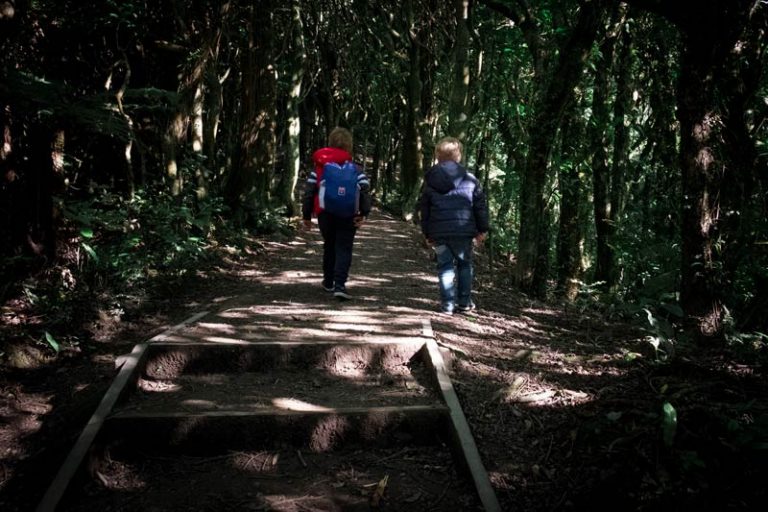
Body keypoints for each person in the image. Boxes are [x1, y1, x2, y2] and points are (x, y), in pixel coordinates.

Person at [420, 136, 489, 315]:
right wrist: (482, 229)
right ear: (459, 156)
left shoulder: (430, 180)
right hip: (463, 232)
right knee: (464, 264)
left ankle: (448, 305)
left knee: (444, 266)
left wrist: (427, 232)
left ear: (437, 156)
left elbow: (425, 209)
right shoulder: (471, 179)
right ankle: (464, 302)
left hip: (439, 233)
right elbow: (480, 206)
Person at [302, 127, 371, 300]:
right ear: (349, 147)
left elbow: (309, 192)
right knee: (344, 247)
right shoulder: (355, 169)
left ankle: (328, 281)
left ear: (330, 144)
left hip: (326, 214)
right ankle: (340, 285)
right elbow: (364, 190)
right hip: (349, 214)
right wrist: (364, 213)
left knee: (330, 245)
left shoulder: (319, 168)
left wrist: (306, 216)